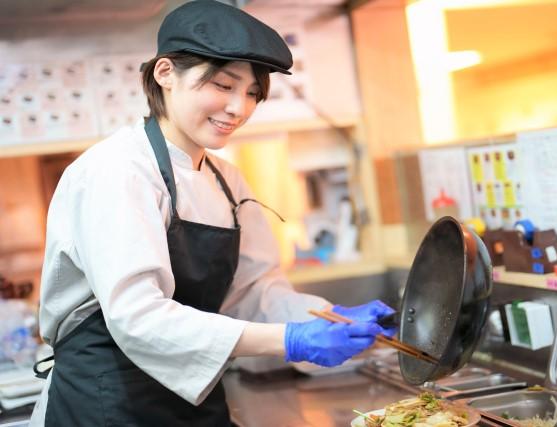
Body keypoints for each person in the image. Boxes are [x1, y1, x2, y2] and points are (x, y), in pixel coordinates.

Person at [28, 1, 396, 426]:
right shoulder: (117, 171)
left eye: (253, 93)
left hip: (191, 402)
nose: (239, 108)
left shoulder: (228, 182)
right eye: (223, 85)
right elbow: (138, 316)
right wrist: (292, 340)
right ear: (165, 74)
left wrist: (329, 317)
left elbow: (254, 295)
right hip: (105, 401)